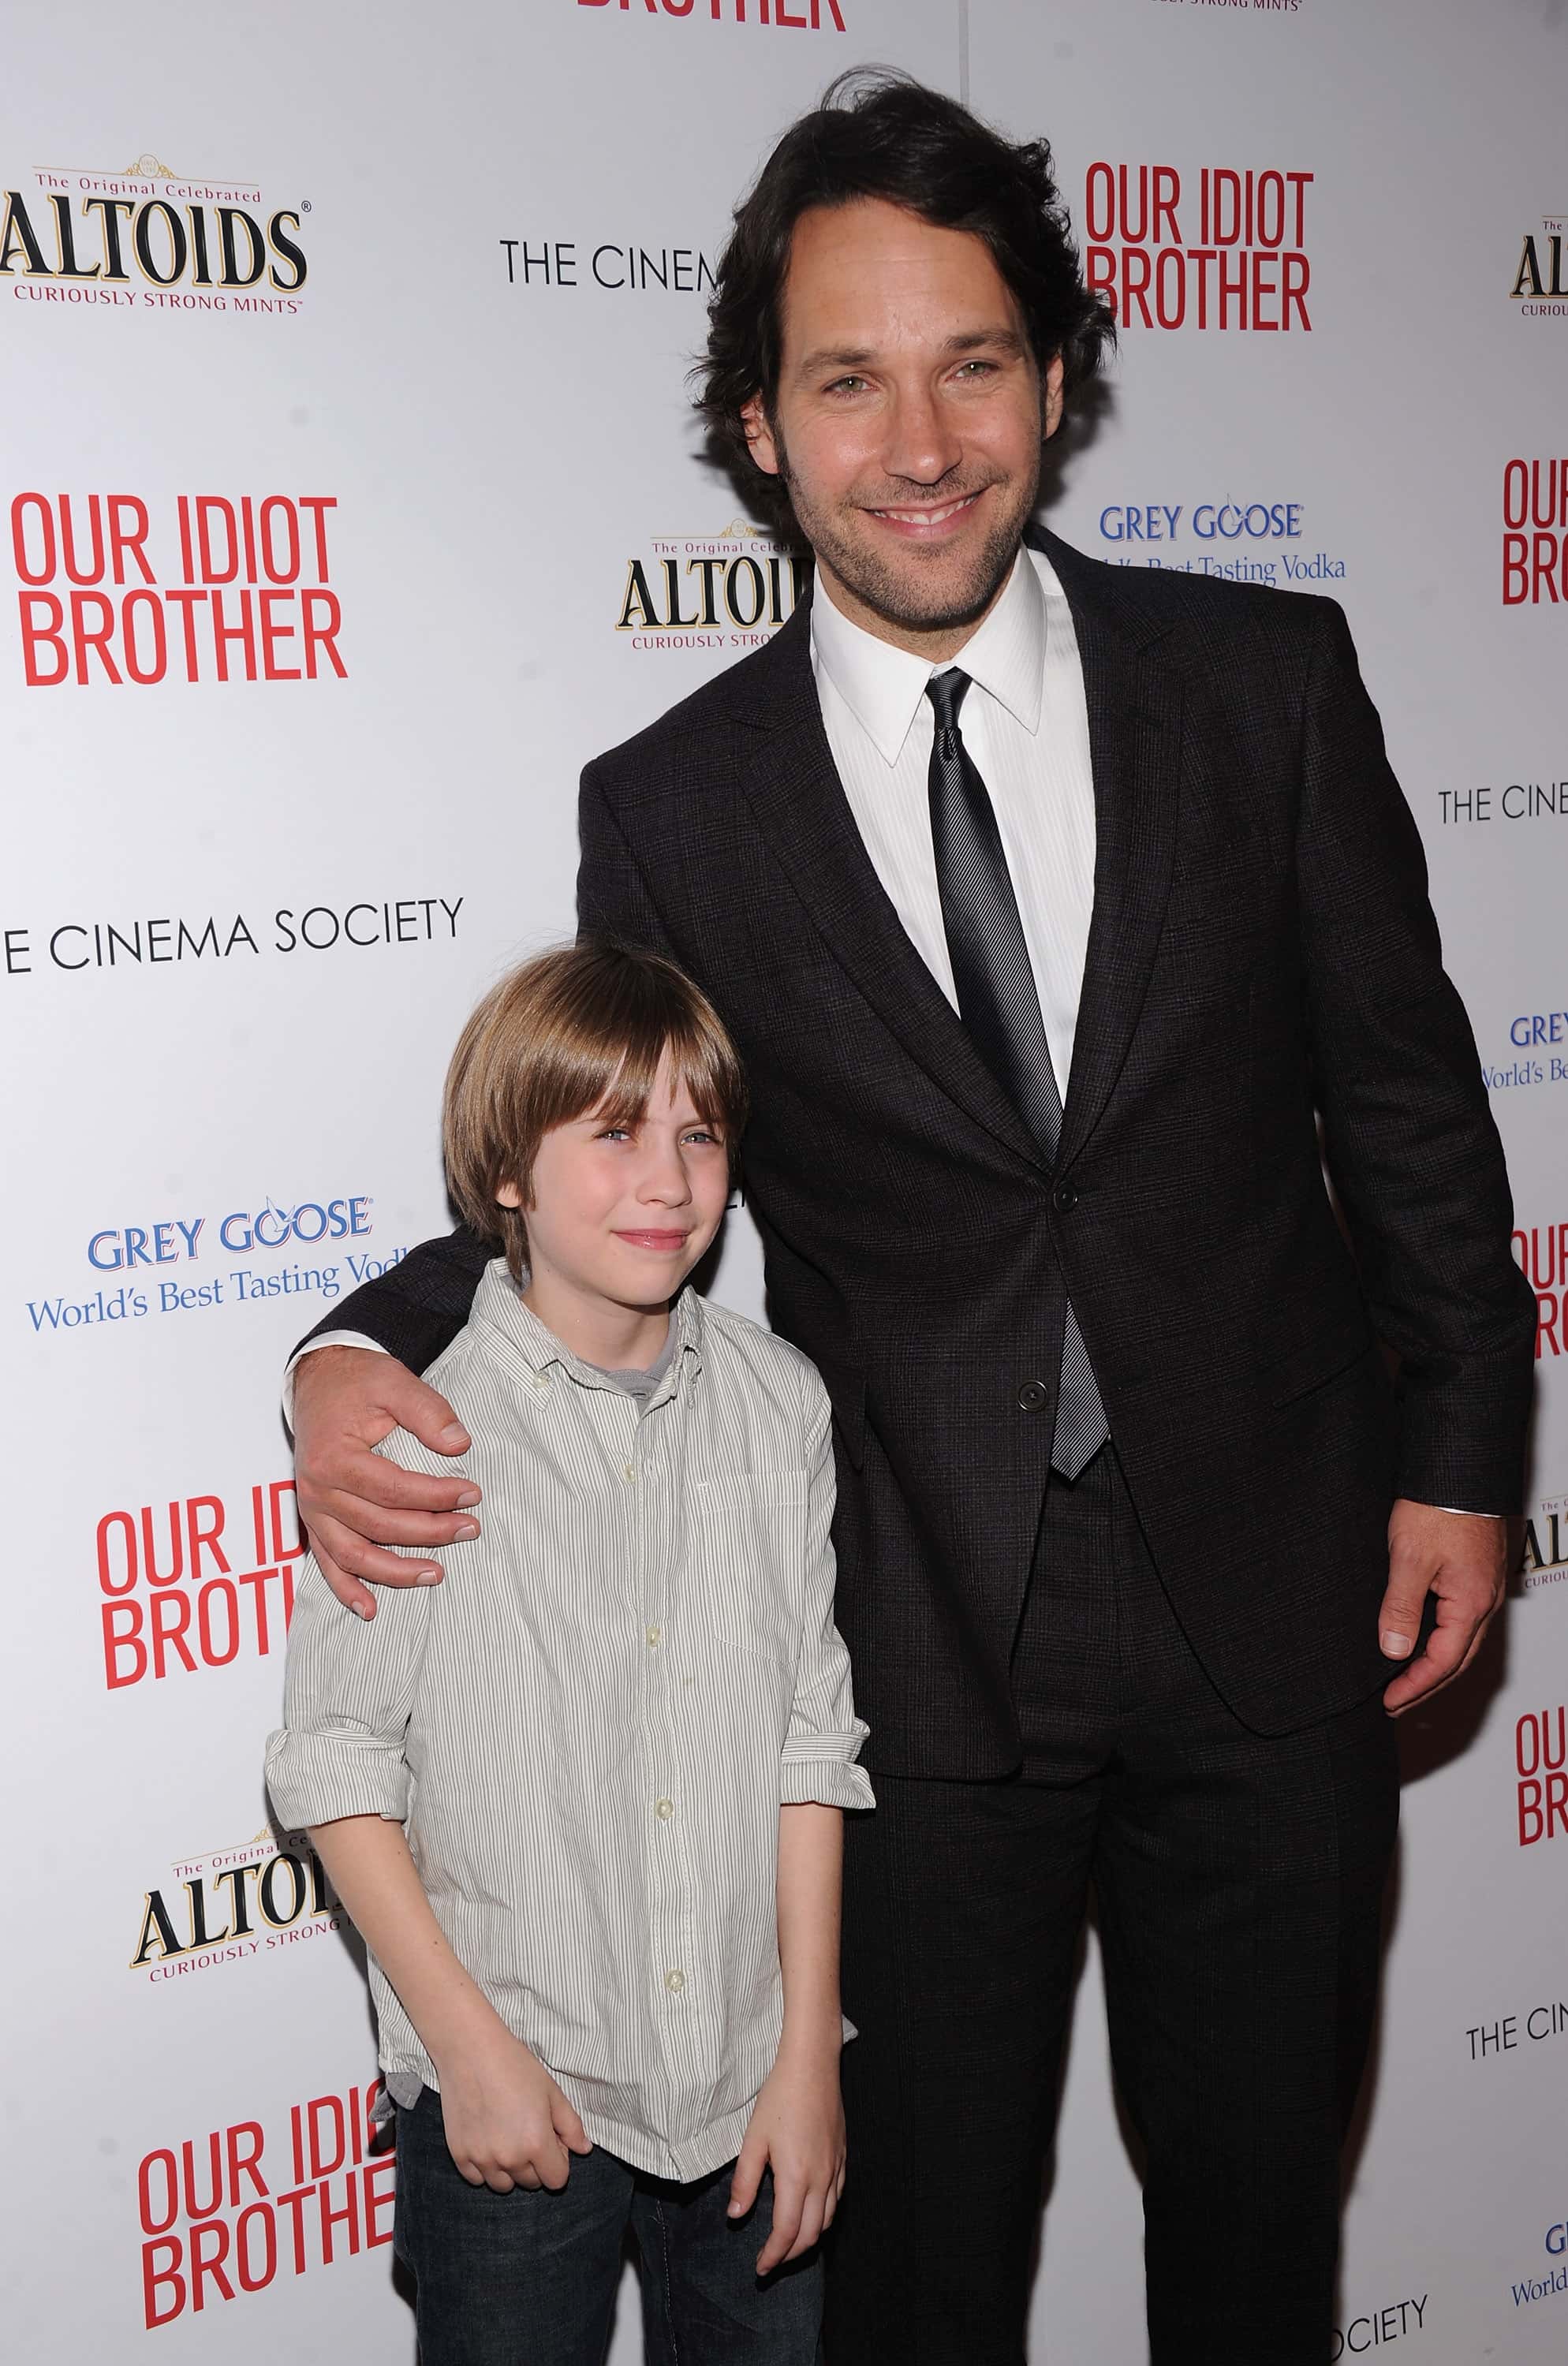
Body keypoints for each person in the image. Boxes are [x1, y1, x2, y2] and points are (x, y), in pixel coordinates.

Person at [282, 73, 1535, 2366]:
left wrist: (1462, 1456)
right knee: (914, 2290)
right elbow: (595, 1147)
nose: (922, 440)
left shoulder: (1260, 683)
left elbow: (1410, 1107)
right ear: (760, 427)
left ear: (1053, 381)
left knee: (1256, 2249)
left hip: (1279, 1603)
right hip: (910, 1656)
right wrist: (348, 1348)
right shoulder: (676, 803)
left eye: (971, 362)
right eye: (846, 380)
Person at [266, 942, 873, 2366]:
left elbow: (810, 1742)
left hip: (748, 2085)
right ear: (508, 1175)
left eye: (699, 1135)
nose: (668, 1180)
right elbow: (338, 1767)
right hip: (514, 2082)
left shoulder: (780, 1404)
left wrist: (807, 2057)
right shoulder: (415, 1431)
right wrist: (467, 2052)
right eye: (612, 1133)